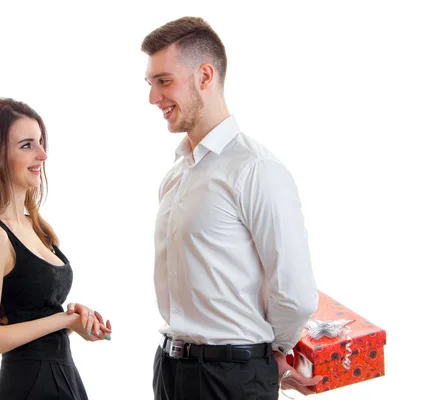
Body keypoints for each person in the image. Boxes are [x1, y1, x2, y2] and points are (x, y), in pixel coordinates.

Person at [142, 17, 322, 399]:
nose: (153, 98)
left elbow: (296, 292)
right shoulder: (175, 175)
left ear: (204, 76)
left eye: (164, 81)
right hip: (171, 370)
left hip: (231, 379)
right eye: (151, 84)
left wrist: (273, 352)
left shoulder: (256, 169)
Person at [0, 97, 111, 400]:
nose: (42, 155)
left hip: (62, 377)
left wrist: (75, 321)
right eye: (27, 145)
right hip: (31, 386)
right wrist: (63, 320)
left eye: (40, 142)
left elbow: (31, 313)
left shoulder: (35, 225)